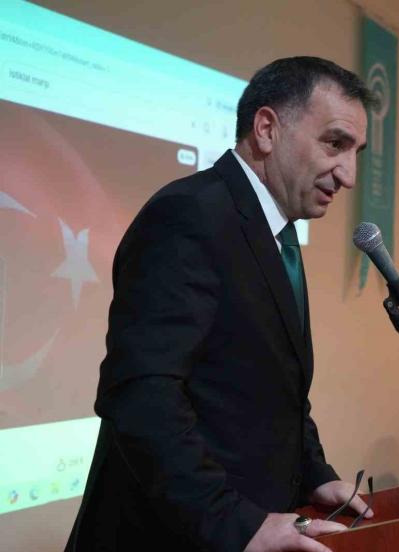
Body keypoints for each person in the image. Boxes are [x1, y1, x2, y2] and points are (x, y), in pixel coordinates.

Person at [66, 57, 374, 552]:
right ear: (267, 129)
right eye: (335, 143)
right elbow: (142, 397)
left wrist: (315, 474)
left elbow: (276, 390)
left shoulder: (276, 231)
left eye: (356, 152)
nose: (349, 175)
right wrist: (238, 524)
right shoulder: (188, 214)